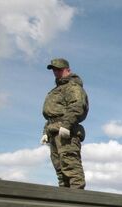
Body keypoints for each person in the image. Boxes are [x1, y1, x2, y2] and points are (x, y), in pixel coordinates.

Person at [41, 58, 89, 189]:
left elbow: (77, 107)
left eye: (59, 69)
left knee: (72, 168)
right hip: (53, 131)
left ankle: (76, 205)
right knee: (60, 172)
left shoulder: (72, 87)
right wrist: (45, 132)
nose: (56, 72)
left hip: (66, 132)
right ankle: (64, 204)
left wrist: (66, 126)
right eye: (54, 70)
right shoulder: (56, 90)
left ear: (67, 69)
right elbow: (52, 114)